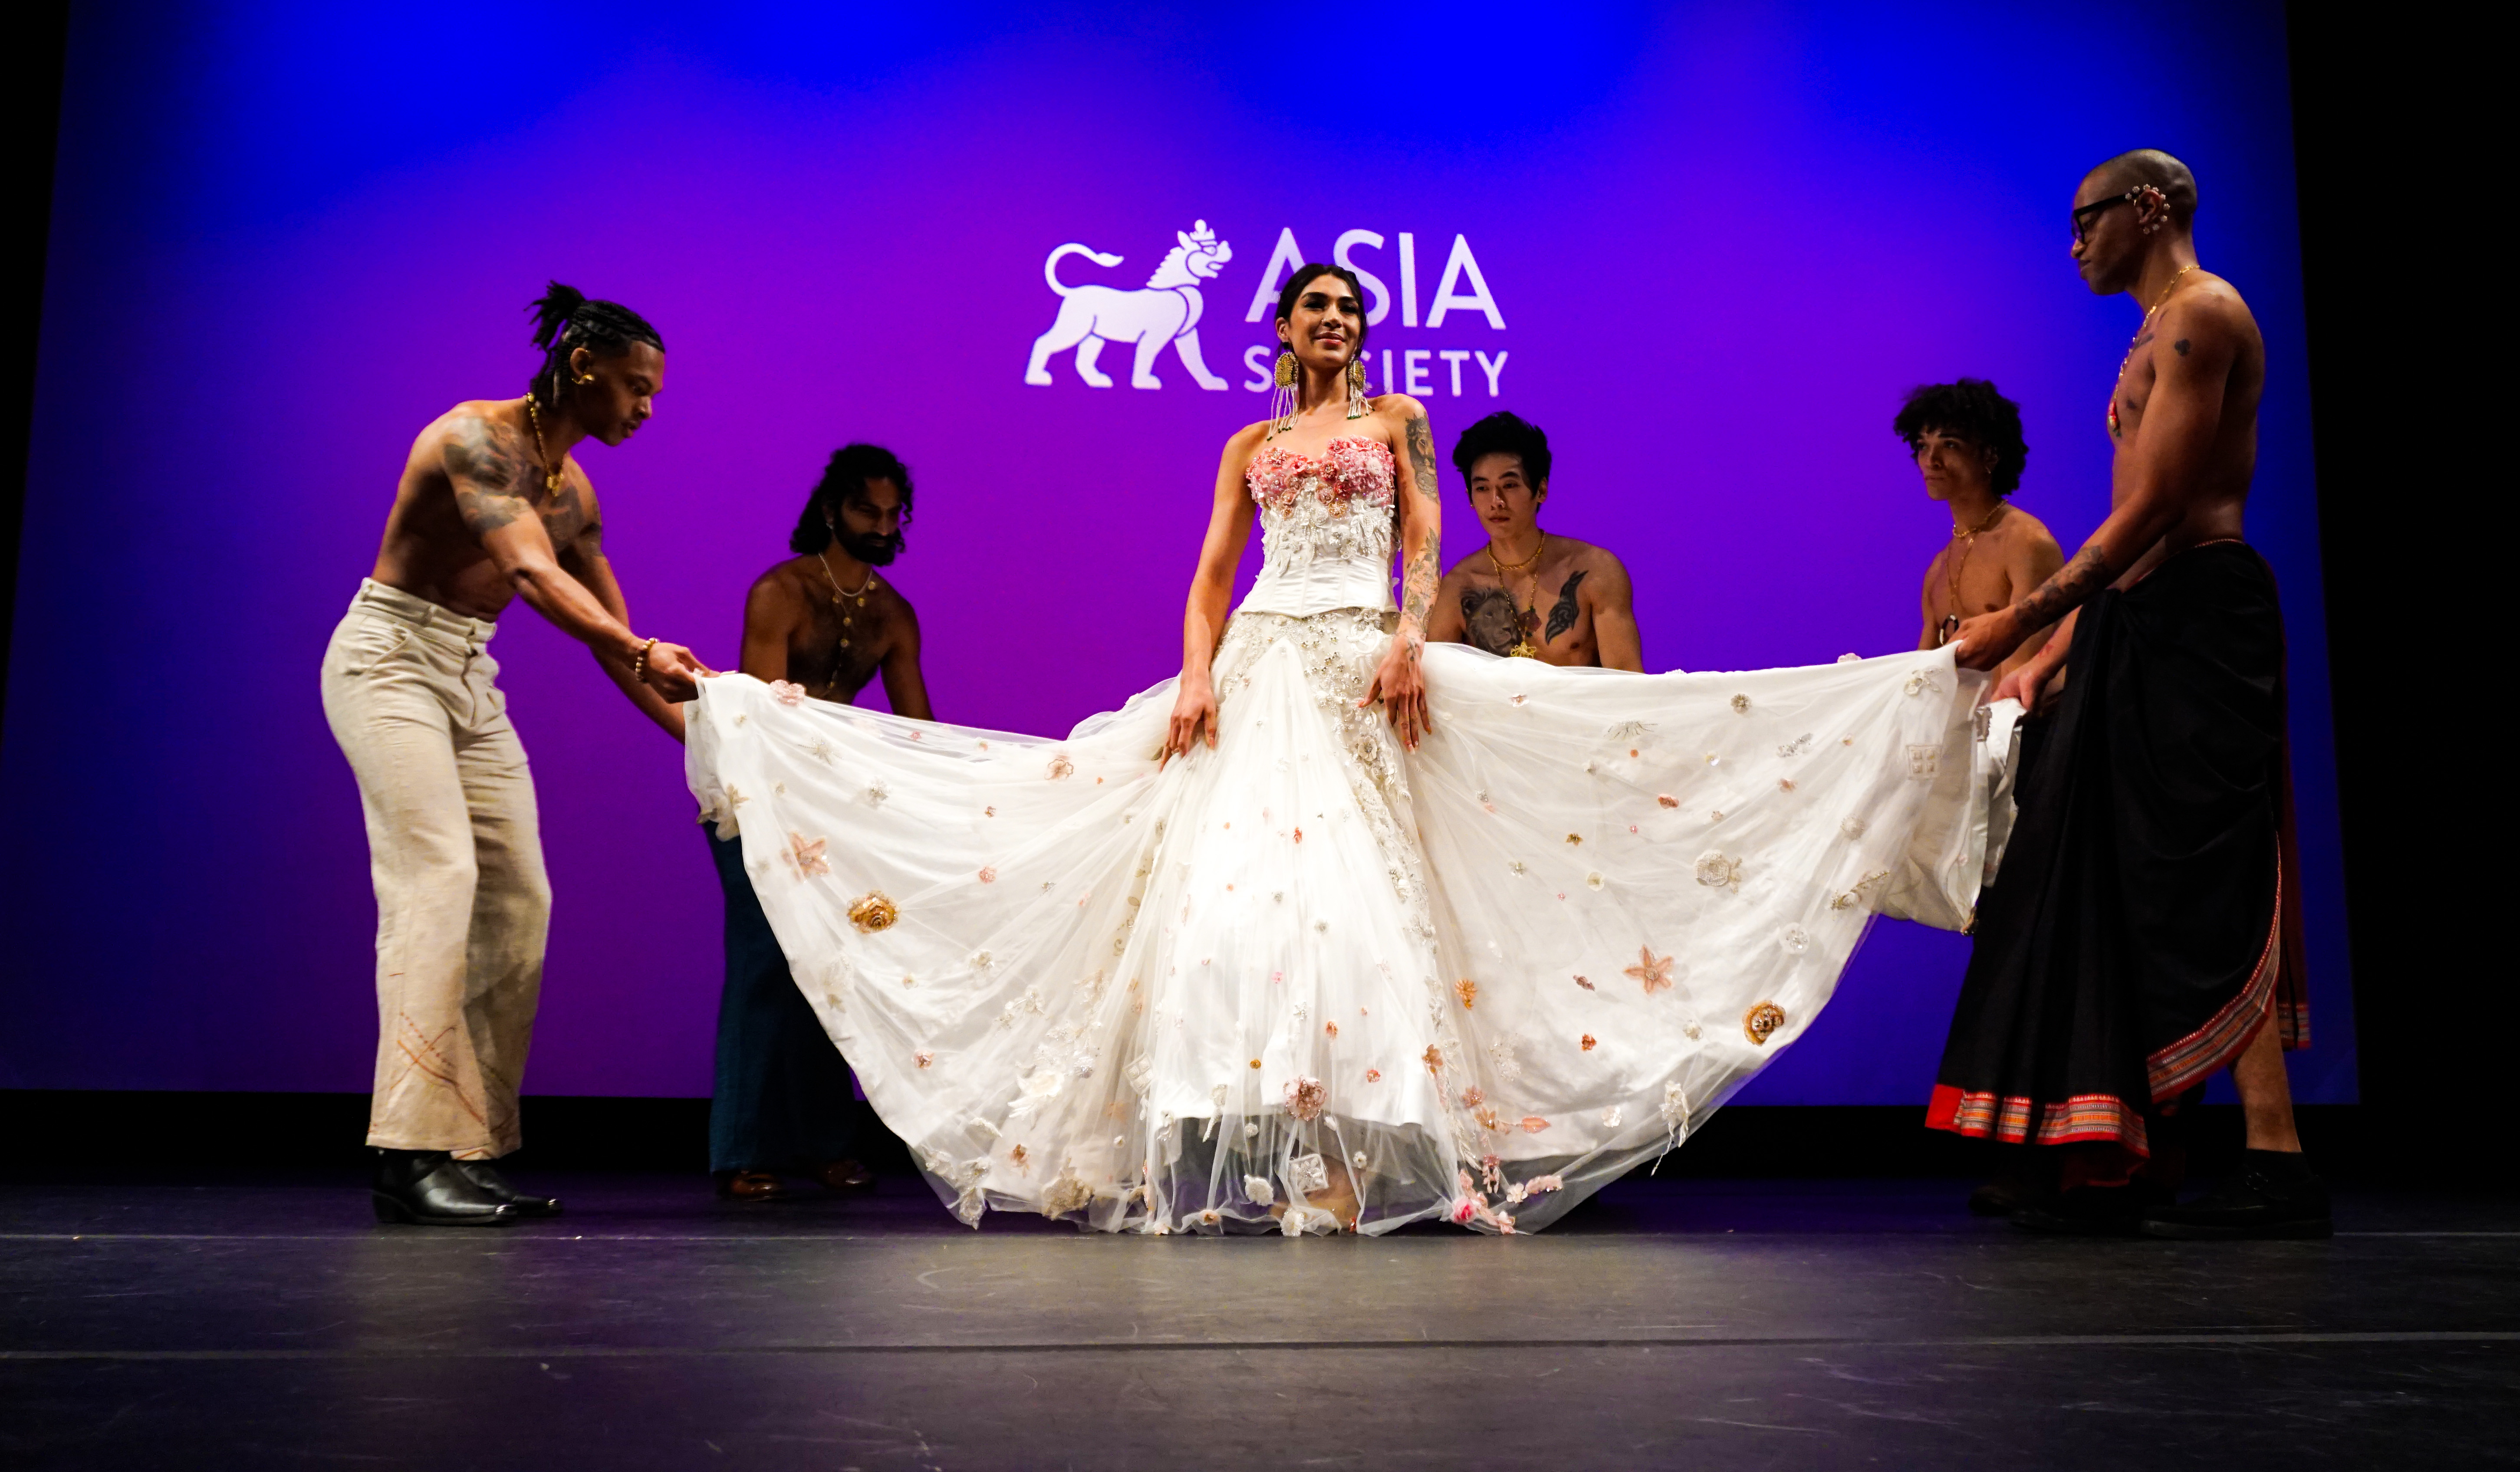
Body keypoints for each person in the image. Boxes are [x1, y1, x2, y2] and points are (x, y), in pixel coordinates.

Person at [683, 264, 2005, 1236]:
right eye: (1316, 309)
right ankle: (1227, 1152)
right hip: (1261, 656)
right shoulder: (1250, 440)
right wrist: (1197, 674)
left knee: (1354, 893)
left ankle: (1346, 1157)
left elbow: (1423, 533)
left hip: (1354, 654)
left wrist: (1402, 637)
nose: (1335, 324)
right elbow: (1210, 573)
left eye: (1350, 312)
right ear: (1281, 327)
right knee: (1232, 892)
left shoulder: (1395, 422)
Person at [1938, 150, 2322, 1238]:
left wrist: (2022, 617)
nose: (2074, 247)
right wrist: (2052, 650)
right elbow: (2129, 544)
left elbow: (2155, 507)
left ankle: (2278, 1159)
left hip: (2205, 616)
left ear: (2147, 210)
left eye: (2086, 223)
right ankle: (2109, 1153)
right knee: (2094, 880)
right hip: (2137, 623)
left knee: (2211, 870)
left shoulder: (2204, 315)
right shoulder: (2146, 332)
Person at [322, 283, 710, 1226]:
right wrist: (639, 648)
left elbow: (618, 641)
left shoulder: (574, 489)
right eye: (633, 387)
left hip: (466, 674)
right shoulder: (473, 439)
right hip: (389, 660)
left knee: (518, 897)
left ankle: (469, 1146)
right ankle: (405, 1153)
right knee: (437, 877)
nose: (645, 408)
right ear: (583, 367)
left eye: (651, 392)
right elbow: (533, 574)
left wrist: (718, 741)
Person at [703, 444, 931, 1201]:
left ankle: (826, 1147)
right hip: (757, 792)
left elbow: (918, 730)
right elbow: (759, 717)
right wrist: (779, 802)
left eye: (894, 512)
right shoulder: (781, 591)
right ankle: (742, 1152)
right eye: (868, 509)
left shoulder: (894, 613)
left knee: (832, 970)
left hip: (836, 806)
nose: (883, 524)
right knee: (767, 964)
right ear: (833, 509)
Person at [1427, 411, 1643, 669]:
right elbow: (1440, 691)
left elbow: (1626, 681)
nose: (1496, 501)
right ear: (1470, 498)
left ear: (1541, 490)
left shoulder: (1595, 571)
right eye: (1483, 488)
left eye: (1510, 485)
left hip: (1577, 708)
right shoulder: (1456, 590)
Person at [1895, 380, 2063, 681]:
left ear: (1990, 455)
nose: (1931, 461)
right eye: (1922, 446)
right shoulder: (1938, 568)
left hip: (2016, 722)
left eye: (1949, 445)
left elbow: (2022, 675)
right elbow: (1919, 680)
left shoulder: (2026, 542)